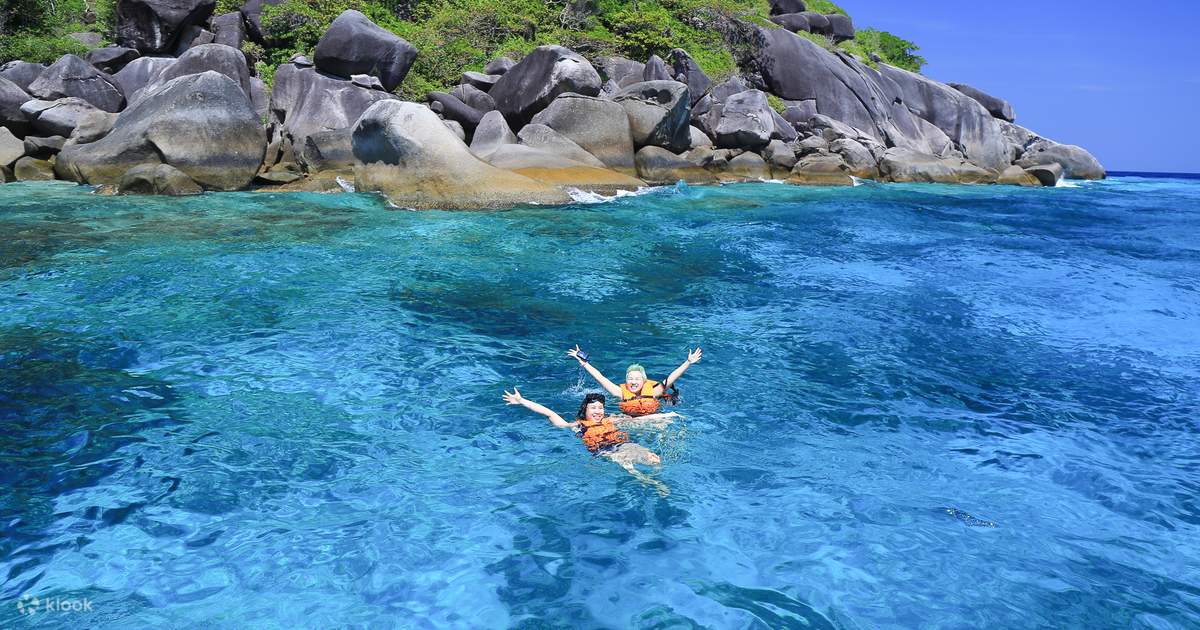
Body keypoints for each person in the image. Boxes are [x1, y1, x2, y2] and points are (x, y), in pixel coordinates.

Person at [502, 387, 676, 495]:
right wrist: (522, 401)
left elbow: (638, 421)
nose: (598, 411)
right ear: (585, 410)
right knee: (630, 468)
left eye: (601, 408)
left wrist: (665, 416)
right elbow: (550, 414)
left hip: (624, 445)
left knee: (654, 459)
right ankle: (654, 484)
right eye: (594, 408)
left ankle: (658, 481)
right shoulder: (578, 426)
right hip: (604, 452)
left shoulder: (612, 419)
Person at [566, 345, 702, 417]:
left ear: (644, 381)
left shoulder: (654, 391)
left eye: (637, 379)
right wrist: (585, 364)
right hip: (631, 421)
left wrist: (688, 362)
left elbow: (672, 377)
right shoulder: (620, 393)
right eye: (630, 378)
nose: (633, 381)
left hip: (654, 419)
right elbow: (601, 378)